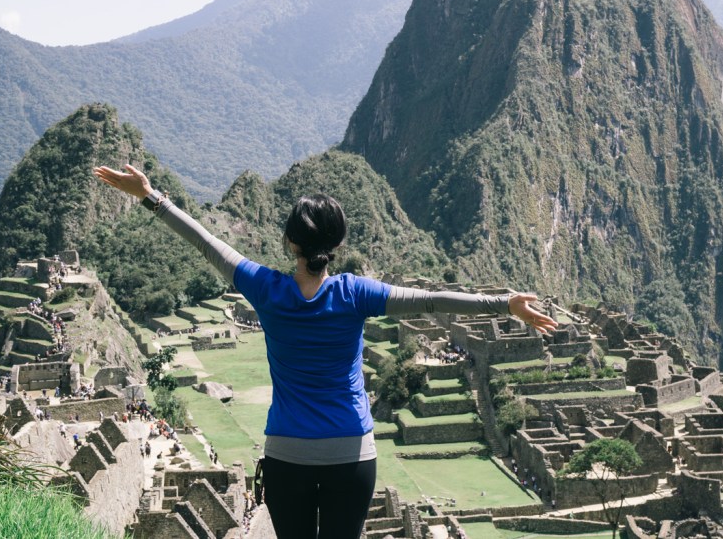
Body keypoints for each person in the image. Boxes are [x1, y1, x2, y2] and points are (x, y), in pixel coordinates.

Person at [93, 163, 556, 539]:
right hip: (351, 455)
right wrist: (504, 304)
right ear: (336, 245)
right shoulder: (355, 293)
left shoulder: (265, 287)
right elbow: (431, 300)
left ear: (291, 242)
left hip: (287, 454)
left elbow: (205, 242)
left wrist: (151, 196)